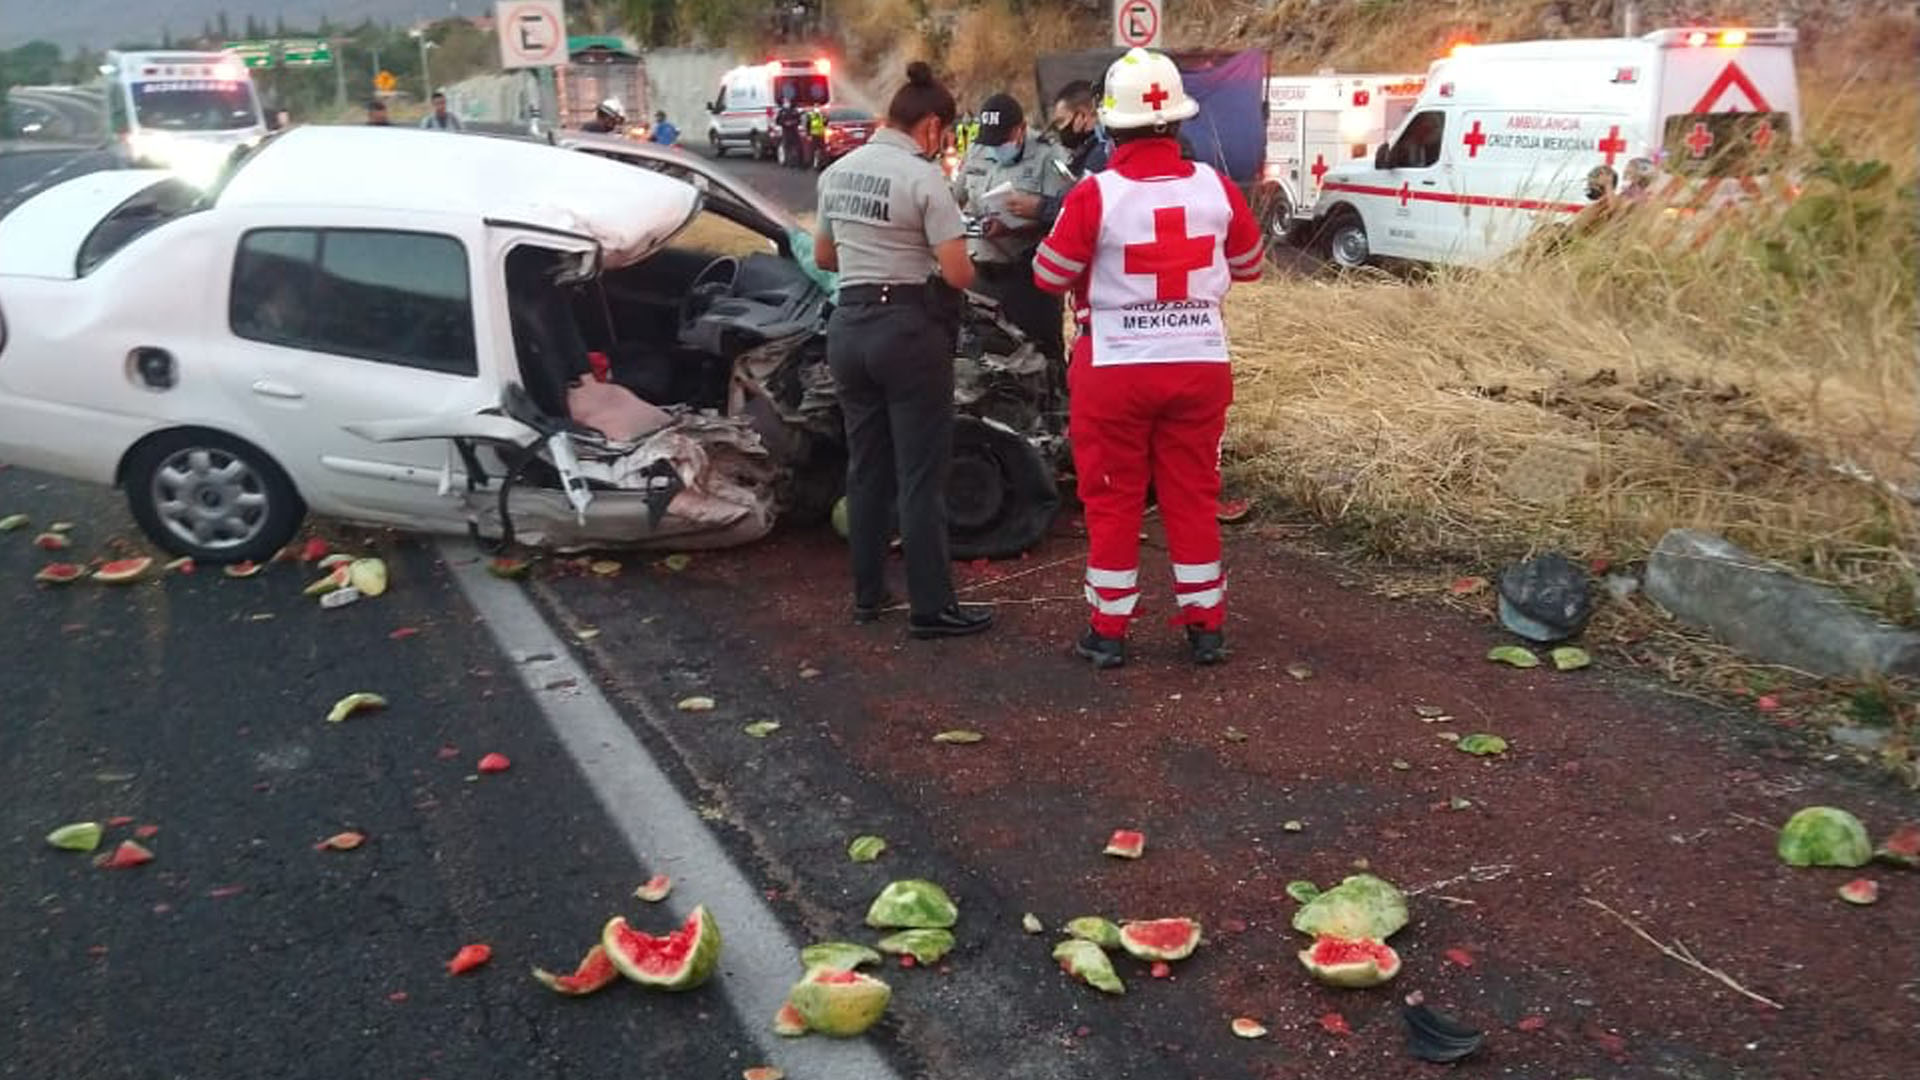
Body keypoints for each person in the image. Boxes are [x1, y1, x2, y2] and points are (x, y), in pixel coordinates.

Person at [1032, 48, 1263, 669]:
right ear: (1178, 121)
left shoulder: (1094, 194)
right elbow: (1251, 266)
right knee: (1192, 494)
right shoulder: (1215, 188)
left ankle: (1108, 632)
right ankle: (1205, 627)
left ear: (1111, 124)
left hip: (1115, 370)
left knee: (1112, 497)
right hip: (1199, 364)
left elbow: (1048, 275)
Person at [813, 61, 991, 640]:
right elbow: (960, 274)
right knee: (920, 475)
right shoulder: (924, 178)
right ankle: (932, 607)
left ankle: (868, 597)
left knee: (866, 468)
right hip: (907, 330)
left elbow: (824, 257)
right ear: (932, 126)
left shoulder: (837, 172)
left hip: (849, 326)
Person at [951, 92, 1071, 363]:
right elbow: (954, 197)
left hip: (1028, 278)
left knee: (1041, 356)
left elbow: (1065, 214)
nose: (996, 147)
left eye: (1003, 140)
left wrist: (1024, 221)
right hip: (981, 277)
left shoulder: (1048, 155)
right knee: (983, 357)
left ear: (1021, 130)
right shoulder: (978, 150)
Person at [1048, 80, 1108, 177]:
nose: (1059, 129)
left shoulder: (1100, 156)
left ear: (1083, 115)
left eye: (1061, 121)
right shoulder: (1088, 150)